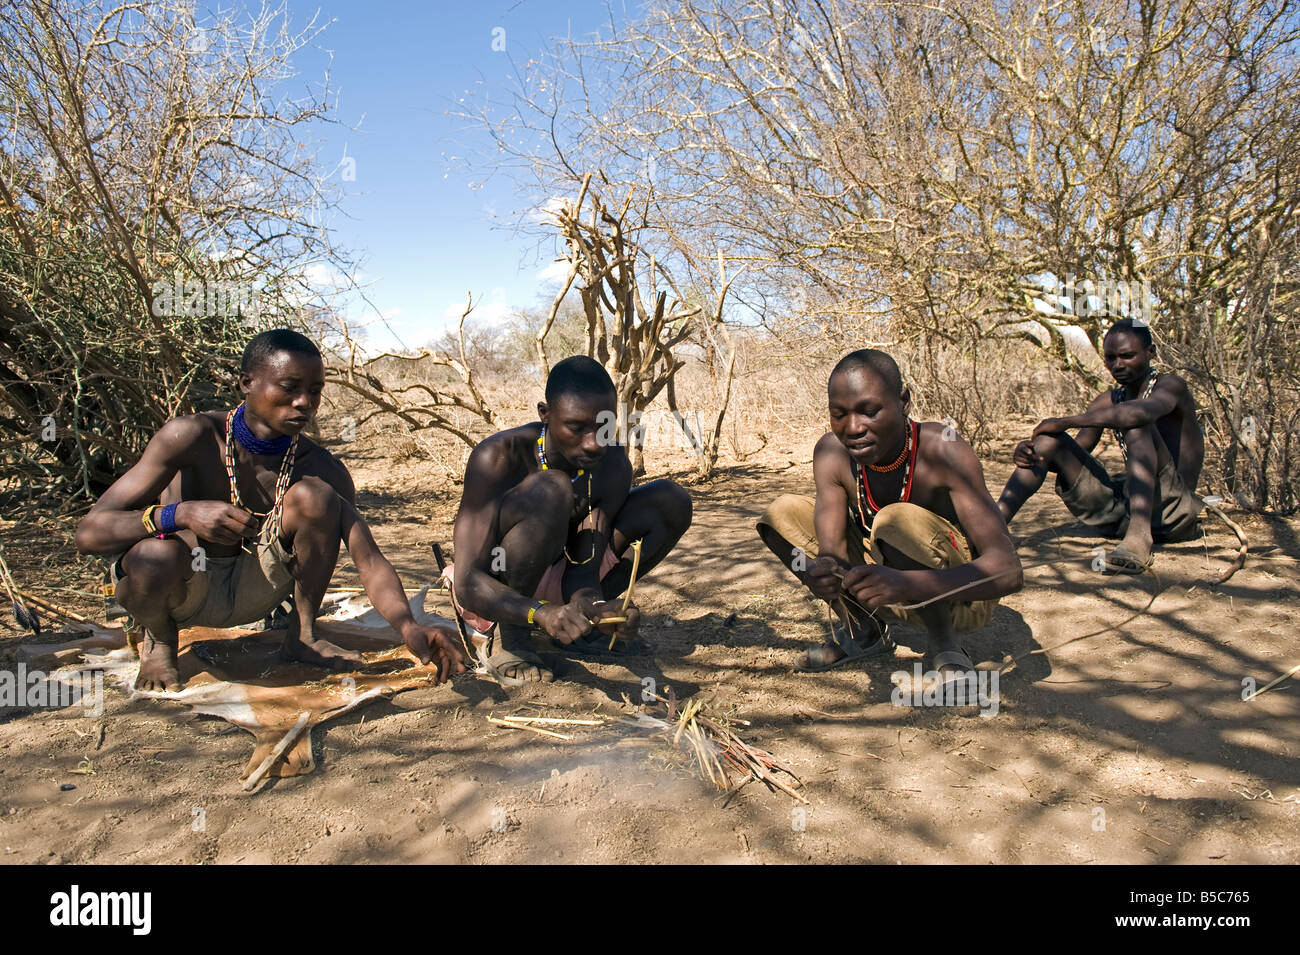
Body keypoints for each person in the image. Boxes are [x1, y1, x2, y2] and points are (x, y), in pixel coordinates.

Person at [75, 329, 467, 692]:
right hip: (184, 585)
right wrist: (181, 514)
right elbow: (89, 532)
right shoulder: (191, 436)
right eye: (289, 387)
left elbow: (369, 559)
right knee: (153, 554)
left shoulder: (321, 467)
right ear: (247, 383)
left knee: (316, 497)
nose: (304, 403)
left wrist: (408, 627)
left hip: (258, 589)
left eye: (315, 391)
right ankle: (159, 641)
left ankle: (303, 635)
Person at [757, 349, 1022, 682]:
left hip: (959, 597)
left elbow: (1009, 570)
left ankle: (945, 643)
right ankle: (863, 631)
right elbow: (832, 554)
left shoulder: (944, 449)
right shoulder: (831, 452)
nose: (852, 427)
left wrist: (908, 582)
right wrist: (817, 573)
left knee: (895, 520)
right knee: (780, 513)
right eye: (839, 413)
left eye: (869, 411)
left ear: (904, 401)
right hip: (879, 587)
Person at [446, 355, 692, 683]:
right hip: (494, 590)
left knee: (671, 501)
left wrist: (596, 606)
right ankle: (514, 641)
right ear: (545, 415)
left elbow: (584, 567)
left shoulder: (613, 466)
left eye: (605, 426)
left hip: (555, 582)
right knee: (552, 488)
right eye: (576, 428)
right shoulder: (498, 458)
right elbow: (467, 582)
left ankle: (584, 628)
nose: (594, 444)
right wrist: (538, 613)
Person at [996, 318, 1204, 572]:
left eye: (1127, 356)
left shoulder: (1171, 386)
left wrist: (1066, 421)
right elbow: (1075, 451)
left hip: (1171, 513)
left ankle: (1139, 539)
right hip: (1121, 513)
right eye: (1111, 358)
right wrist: (1033, 453)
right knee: (1049, 441)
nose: (1118, 365)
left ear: (1150, 353)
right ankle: (992, 527)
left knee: (1136, 423)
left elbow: (1136, 415)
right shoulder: (1108, 400)